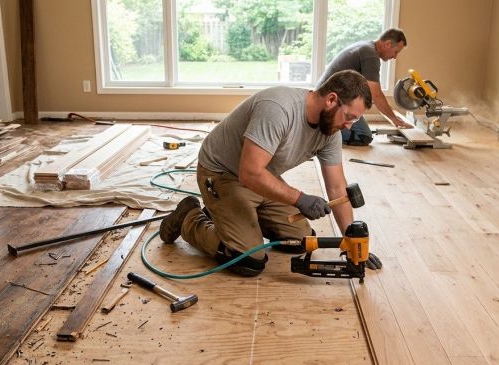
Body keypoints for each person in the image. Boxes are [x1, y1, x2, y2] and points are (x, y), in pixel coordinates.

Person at [159, 70, 383, 277]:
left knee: (301, 240)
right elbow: (249, 173)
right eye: (349, 117)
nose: (349, 126)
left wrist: (351, 241)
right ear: (332, 99)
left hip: (260, 177)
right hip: (222, 173)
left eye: (354, 120)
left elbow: (336, 187)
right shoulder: (279, 109)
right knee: (248, 259)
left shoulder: (330, 132)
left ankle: (228, 216)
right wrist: (299, 199)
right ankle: (189, 217)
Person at [319, 28, 412, 146]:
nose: (394, 57)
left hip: (329, 98)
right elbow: (375, 94)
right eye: (396, 52)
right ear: (388, 44)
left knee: (358, 124)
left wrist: (392, 114)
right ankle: (321, 130)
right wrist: (394, 119)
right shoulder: (370, 55)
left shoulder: (366, 47)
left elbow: (370, 92)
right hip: (328, 104)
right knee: (363, 135)